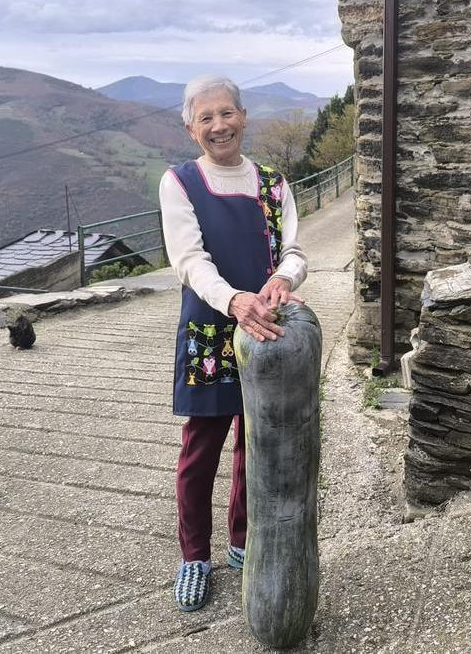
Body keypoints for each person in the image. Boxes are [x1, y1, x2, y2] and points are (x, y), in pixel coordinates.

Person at [158, 75, 307, 612]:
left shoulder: (272, 182)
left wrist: (285, 279)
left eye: (227, 113)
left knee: (256, 444)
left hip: (267, 331)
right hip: (212, 332)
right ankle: (194, 555)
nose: (218, 125)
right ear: (190, 127)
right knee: (202, 449)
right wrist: (235, 301)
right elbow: (189, 261)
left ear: (243, 117)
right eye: (206, 118)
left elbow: (293, 249)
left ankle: (243, 542)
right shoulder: (181, 182)